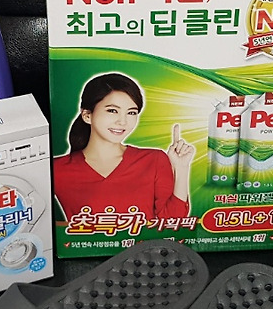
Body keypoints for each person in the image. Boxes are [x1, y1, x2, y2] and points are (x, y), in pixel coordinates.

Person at [52, 73, 194, 221]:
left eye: (131, 112)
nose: (123, 121)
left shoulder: (154, 159)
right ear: (87, 115)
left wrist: (181, 168)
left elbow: (172, 221)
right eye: (112, 110)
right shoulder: (57, 169)